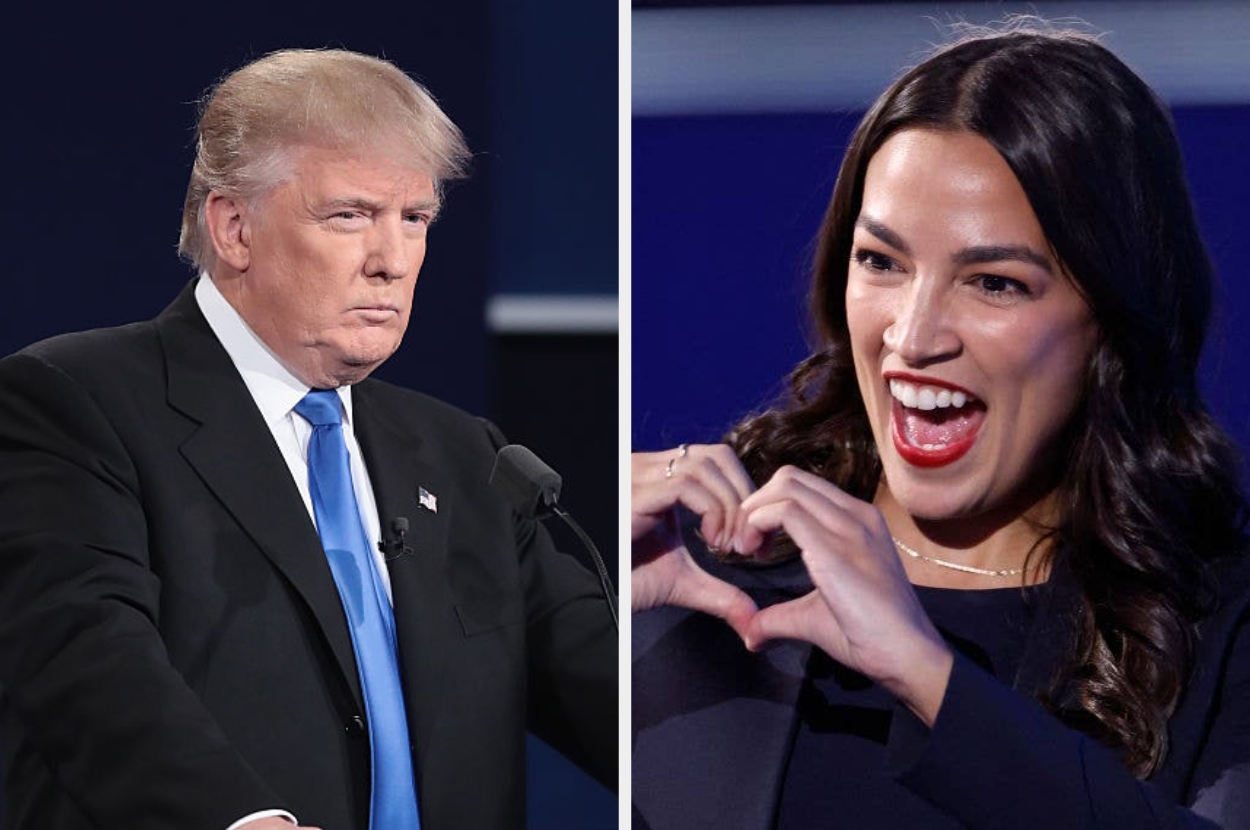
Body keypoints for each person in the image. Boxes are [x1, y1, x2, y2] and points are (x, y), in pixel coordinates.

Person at [632, 22, 1250, 830]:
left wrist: (928, 677)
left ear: (1113, 319)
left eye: (994, 283)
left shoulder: (1216, 623)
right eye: (881, 262)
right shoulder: (709, 562)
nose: (913, 338)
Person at [0, 49, 616, 830]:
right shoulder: (75, 402)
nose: (391, 262)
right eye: (349, 215)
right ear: (234, 227)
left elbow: (615, 705)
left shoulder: (467, 457)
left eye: (415, 219)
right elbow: (86, 666)